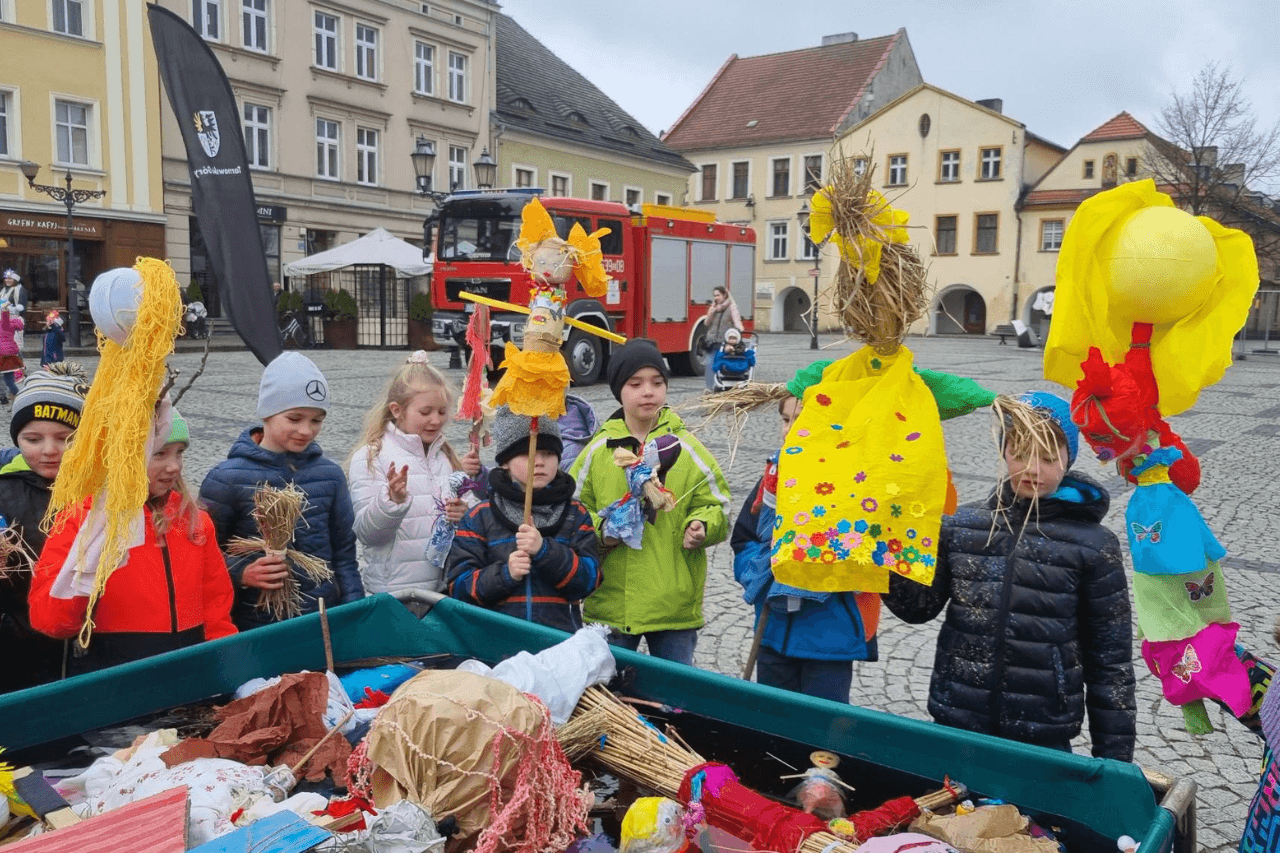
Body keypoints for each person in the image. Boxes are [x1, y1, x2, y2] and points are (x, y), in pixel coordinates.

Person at [883, 391, 1137, 761]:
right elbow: (916, 608)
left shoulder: (1094, 546)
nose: (1033, 468)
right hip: (958, 717)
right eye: (1019, 452)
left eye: (1048, 458)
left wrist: (1114, 764)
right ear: (1003, 453)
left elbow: (1110, 662)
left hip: (1042, 731)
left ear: (1069, 460)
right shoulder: (963, 526)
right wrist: (894, 544)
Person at [29, 410, 238, 675]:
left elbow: (216, 606)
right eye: (160, 453)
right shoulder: (85, 520)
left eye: (179, 452)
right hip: (114, 675)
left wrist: (228, 665)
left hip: (192, 670)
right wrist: (81, 579)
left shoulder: (194, 520)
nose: (174, 465)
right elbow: (50, 622)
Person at [571, 339, 731, 665]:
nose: (648, 392)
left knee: (676, 702)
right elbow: (572, 510)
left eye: (657, 383)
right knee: (609, 697)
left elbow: (718, 505)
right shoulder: (599, 451)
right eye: (636, 384)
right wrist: (602, 531)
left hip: (673, 605)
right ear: (619, 390)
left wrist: (701, 525)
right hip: (614, 602)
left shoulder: (687, 447)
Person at [731, 363, 879, 702]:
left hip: (830, 642)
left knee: (821, 742)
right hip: (772, 635)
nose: (789, 431)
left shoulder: (857, 488)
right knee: (772, 730)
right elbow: (743, 539)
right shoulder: (775, 477)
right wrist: (766, 573)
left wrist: (815, 565)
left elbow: (873, 558)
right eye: (785, 419)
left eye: (802, 420)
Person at [199, 352, 363, 630]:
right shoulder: (226, 478)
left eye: (316, 420)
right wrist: (240, 572)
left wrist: (354, 614)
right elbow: (202, 555)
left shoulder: (330, 475)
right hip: (255, 625)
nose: (306, 430)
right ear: (267, 412)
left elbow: (344, 553)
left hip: (321, 618)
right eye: (295, 418)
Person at [446, 408, 601, 632]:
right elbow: (459, 588)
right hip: (498, 646)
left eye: (548, 453)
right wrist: (505, 574)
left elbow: (589, 581)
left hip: (558, 644)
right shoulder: (479, 517)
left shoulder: (574, 513)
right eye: (527, 454)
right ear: (505, 462)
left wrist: (545, 552)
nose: (539, 462)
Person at [347, 352, 482, 596]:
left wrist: (465, 513)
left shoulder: (446, 458)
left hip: (441, 591)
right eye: (426, 412)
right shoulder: (372, 457)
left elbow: (475, 520)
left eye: (442, 412)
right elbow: (369, 534)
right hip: (392, 592)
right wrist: (392, 502)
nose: (435, 420)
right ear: (397, 410)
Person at [0, 364, 90, 690]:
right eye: (33, 439)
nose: (50, 450)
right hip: (18, 640)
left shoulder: (100, 488)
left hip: (89, 639)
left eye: (65, 439)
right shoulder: (4, 488)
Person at [701, 286, 742, 391]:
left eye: (718, 295)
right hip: (712, 341)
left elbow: (738, 324)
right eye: (715, 295)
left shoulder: (732, 307)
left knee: (722, 365)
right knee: (710, 365)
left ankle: (723, 386)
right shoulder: (713, 308)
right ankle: (709, 388)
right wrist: (711, 312)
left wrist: (737, 334)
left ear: (724, 295)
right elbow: (706, 323)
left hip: (724, 343)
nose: (716, 298)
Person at [0, 303, 24, 407]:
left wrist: (4, 309)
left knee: (7, 380)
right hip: (10, 353)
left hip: (4, 354)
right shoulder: (12, 324)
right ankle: (14, 396)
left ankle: (17, 396)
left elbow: (5, 318)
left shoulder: (5, 324)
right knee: (8, 378)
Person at [0, 271, 26, 354]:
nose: (8, 280)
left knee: (15, 341)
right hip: (3, 318)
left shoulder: (20, 290)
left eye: (10, 278)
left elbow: (22, 306)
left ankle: (17, 361)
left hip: (14, 319)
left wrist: (11, 309)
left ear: (15, 279)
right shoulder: (4, 290)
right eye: (6, 278)